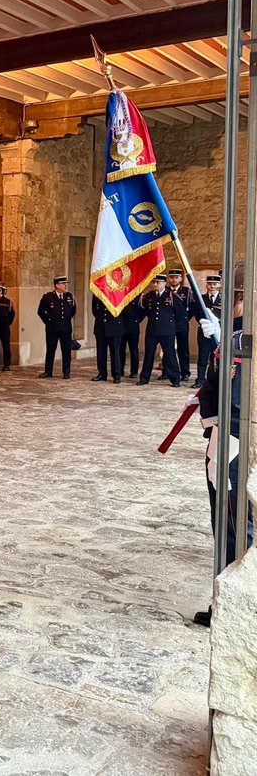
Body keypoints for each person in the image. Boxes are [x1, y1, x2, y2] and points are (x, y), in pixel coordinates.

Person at [195, 265, 246, 628]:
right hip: (223, 441)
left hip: (234, 446)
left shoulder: (242, 343)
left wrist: (226, 346)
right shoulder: (235, 338)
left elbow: (239, 404)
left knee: (234, 528)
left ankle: (232, 609)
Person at [137, 273, 183, 387]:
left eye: (158, 282)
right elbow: (147, 311)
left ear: (164, 283)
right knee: (149, 354)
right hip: (152, 329)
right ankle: (144, 378)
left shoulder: (172, 296)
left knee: (170, 354)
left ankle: (175, 379)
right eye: (154, 282)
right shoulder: (149, 296)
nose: (155, 284)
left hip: (167, 330)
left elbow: (180, 314)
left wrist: (170, 325)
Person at [37, 276, 77, 379]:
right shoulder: (48, 297)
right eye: (63, 284)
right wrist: (49, 322)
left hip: (66, 328)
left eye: (65, 284)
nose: (65, 286)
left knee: (66, 351)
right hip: (52, 328)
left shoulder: (69, 296)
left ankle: (66, 372)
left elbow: (73, 310)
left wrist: (65, 320)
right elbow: (41, 311)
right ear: (57, 285)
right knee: (50, 350)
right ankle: (48, 371)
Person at [194, 274, 223, 388]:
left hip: (217, 332)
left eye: (214, 284)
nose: (212, 286)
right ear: (206, 285)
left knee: (215, 357)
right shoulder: (201, 299)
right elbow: (197, 314)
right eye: (210, 284)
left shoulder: (223, 299)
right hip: (204, 332)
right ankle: (200, 379)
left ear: (219, 285)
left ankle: (214, 380)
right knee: (202, 356)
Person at [91, 295, 125, 384]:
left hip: (114, 326)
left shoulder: (117, 291)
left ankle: (116, 375)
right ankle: (102, 373)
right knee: (101, 352)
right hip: (101, 327)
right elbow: (94, 310)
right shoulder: (97, 292)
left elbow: (124, 310)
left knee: (115, 352)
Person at [169, 268, 193, 383]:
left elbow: (192, 308)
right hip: (168, 324)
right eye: (172, 277)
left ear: (181, 278)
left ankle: (185, 372)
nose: (174, 279)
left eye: (176, 277)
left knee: (183, 349)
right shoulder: (166, 290)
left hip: (181, 324)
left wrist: (185, 318)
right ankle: (167, 371)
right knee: (167, 349)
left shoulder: (186, 292)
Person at [0, 282, 16, 371]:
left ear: (3, 291)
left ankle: (7, 364)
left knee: (6, 346)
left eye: (0, 290)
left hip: (4, 327)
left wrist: (7, 322)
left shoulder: (8, 302)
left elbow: (12, 314)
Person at [120, 296, 142, 378]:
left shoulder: (137, 296)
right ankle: (120, 369)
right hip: (122, 326)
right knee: (120, 349)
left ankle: (134, 371)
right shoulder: (121, 295)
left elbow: (142, 311)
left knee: (133, 349)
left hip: (133, 327)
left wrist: (136, 320)